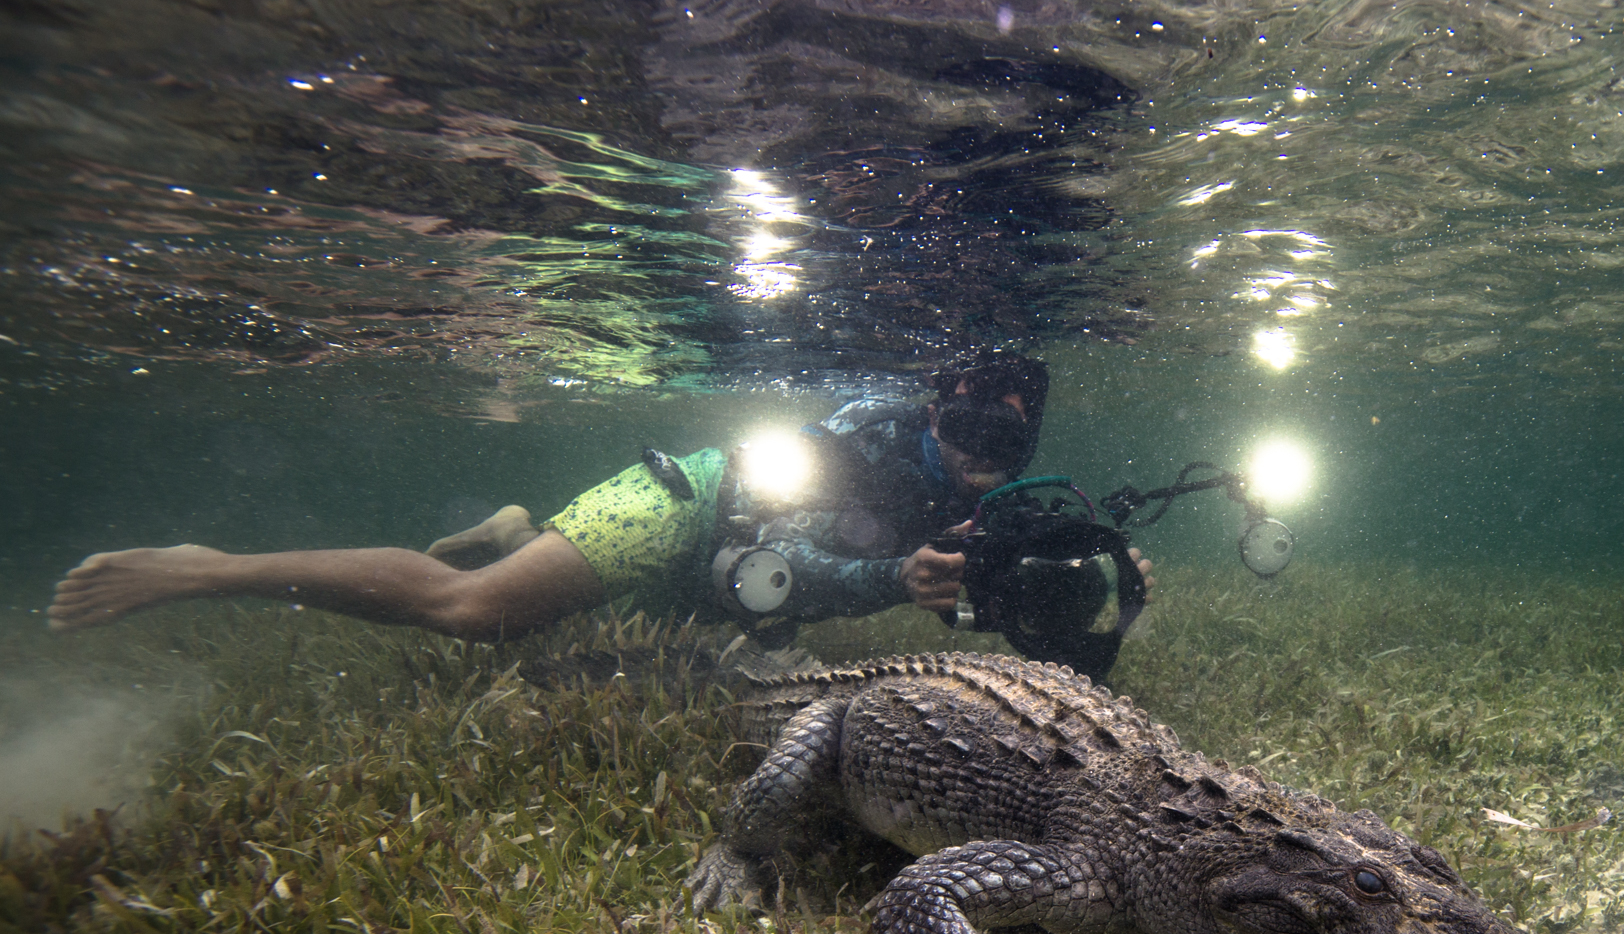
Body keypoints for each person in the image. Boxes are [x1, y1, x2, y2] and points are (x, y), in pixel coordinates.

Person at [47, 351, 1150, 649]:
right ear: (933, 412)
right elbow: (769, 564)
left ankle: (523, 523)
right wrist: (886, 578)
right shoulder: (862, 441)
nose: (982, 460)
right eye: (966, 431)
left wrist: (1103, 583)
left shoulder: (1013, 491)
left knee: (550, 591)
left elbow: (1024, 587)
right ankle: (205, 564)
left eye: (1009, 440)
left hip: (721, 598)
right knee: (475, 612)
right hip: (683, 512)